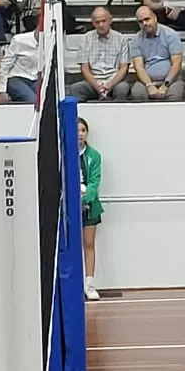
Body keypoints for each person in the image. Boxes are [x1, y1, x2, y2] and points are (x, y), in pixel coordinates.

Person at [79, 119, 104, 301]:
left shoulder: (94, 156)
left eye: (83, 130)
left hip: (89, 207)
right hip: (69, 208)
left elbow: (94, 182)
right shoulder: (63, 153)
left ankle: (90, 284)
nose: (80, 134)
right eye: (76, 130)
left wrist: (85, 198)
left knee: (88, 244)